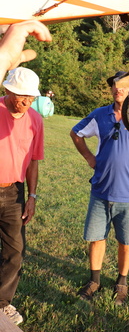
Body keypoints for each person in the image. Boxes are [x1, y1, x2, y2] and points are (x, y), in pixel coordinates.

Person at [70, 70, 129, 306]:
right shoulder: (100, 115)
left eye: (122, 86)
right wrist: (90, 158)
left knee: (126, 241)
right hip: (100, 191)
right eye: (114, 85)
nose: (117, 89)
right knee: (97, 238)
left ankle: (121, 282)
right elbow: (76, 133)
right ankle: (94, 281)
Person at [0, 20, 51, 325]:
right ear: (7, 90)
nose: (26, 102)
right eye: (21, 96)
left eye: (31, 97)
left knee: (15, 251)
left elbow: (34, 161)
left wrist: (31, 196)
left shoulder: (35, 119)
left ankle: (2, 301)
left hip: (14, 193)